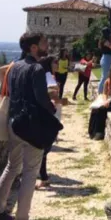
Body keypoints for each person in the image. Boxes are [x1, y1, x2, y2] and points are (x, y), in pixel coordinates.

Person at [0, 32, 55, 220]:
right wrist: (52, 108)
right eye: (43, 43)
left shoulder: (13, 67)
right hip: (31, 126)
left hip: (13, 123)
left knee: (11, 167)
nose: (47, 46)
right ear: (33, 48)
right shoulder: (36, 69)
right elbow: (41, 98)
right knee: (30, 173)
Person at [36, 55, 62, 189]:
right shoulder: (48, 76)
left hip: (52, 115)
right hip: (50, 116)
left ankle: (43, 176)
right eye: (55, 62)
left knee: (44, 149)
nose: (57, 64)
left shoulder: (48, 76)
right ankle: (43, 177)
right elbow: (53, 98)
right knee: (44, 149)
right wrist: (63, 101)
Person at [98, 27, 111, 94]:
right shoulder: (104, 40)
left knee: (105, 77)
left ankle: (104, 91)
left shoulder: (105, 40)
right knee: (104, 77)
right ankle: (100, 93)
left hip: (106, 58)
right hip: (106, 59)